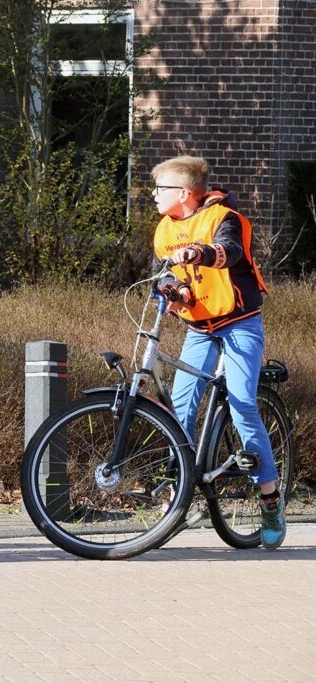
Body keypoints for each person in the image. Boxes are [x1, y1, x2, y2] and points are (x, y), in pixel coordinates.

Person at [151, 155, 284, 549]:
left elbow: (229, 252)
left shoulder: (225, 218)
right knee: (180, 407)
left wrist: (198, 253)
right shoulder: (163, 230)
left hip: (240, 321)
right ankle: (179, 495)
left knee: (242, 402)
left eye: (160, 189)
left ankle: (270, 498)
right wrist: (172, 291)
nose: (154, 196)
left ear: (184, 193)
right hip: (199, 327)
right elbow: (165, 275)